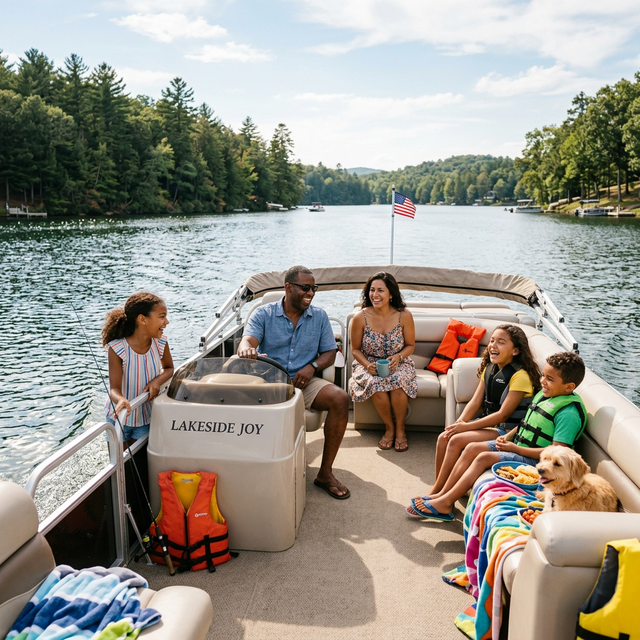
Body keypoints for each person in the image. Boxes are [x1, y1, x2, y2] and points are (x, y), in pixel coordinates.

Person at [405, 351, 587, 521]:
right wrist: (508, 437)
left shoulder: (568, 414)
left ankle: (444, 504)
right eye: (543, 376)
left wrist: (515, 448)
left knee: (483, 457)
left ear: (569, 386)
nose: (542, 382)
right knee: (471, 448)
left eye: (549, 379)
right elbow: (527, 422)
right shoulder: (547, 395)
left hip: (536, 462)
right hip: (518, 446)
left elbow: (559, 454)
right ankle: (443, 494)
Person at [238, 265, 350, 500]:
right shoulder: (263, 314)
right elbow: (247, 340)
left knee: (341, 398)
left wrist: (312, 367)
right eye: (305, 288)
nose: (310, 293)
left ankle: (325, 474)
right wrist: (247, 348)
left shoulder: (318, 316)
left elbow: (330, 352)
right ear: (288, 287)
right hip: (269, 381)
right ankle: (256, 464)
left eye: (314, 288)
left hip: (305, 382)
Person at [431, 325, 541, 494]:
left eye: (501, 342)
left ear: (516, 351)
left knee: (455, 440)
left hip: (507, 430)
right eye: (492, 341)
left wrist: (466, 427)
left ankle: (438, 494)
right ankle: (439, 487)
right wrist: (460, 423)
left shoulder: (521, 376)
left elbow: (503, 415)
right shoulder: (490, 368)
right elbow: (475, 402)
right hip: (490, 425)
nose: (493, 345)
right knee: (444, 437)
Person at [349, 272, 417, 452]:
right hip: (367, 362)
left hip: (399, 361)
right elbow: (355, 349)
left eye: (380, 290)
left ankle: (401, 429)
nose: (375, 295)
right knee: (376, 383)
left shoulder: (405, 315)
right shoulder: (359, 317)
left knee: (397, 383)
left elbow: (410, 346)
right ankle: (390, 428)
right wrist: (367, 365)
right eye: (372, 290)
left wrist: (398, 357)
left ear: (391, 294)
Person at [102, 292, 174, 445]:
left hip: (145, 417)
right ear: (142, 319)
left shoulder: (161, 343)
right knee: (119, 466)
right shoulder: (117, 348)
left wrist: (157, 381)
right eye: (162, 316)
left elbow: (169, 368)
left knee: (137, 464)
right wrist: (121, 399)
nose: (166, 322)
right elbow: (114, 389)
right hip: (119, 417)